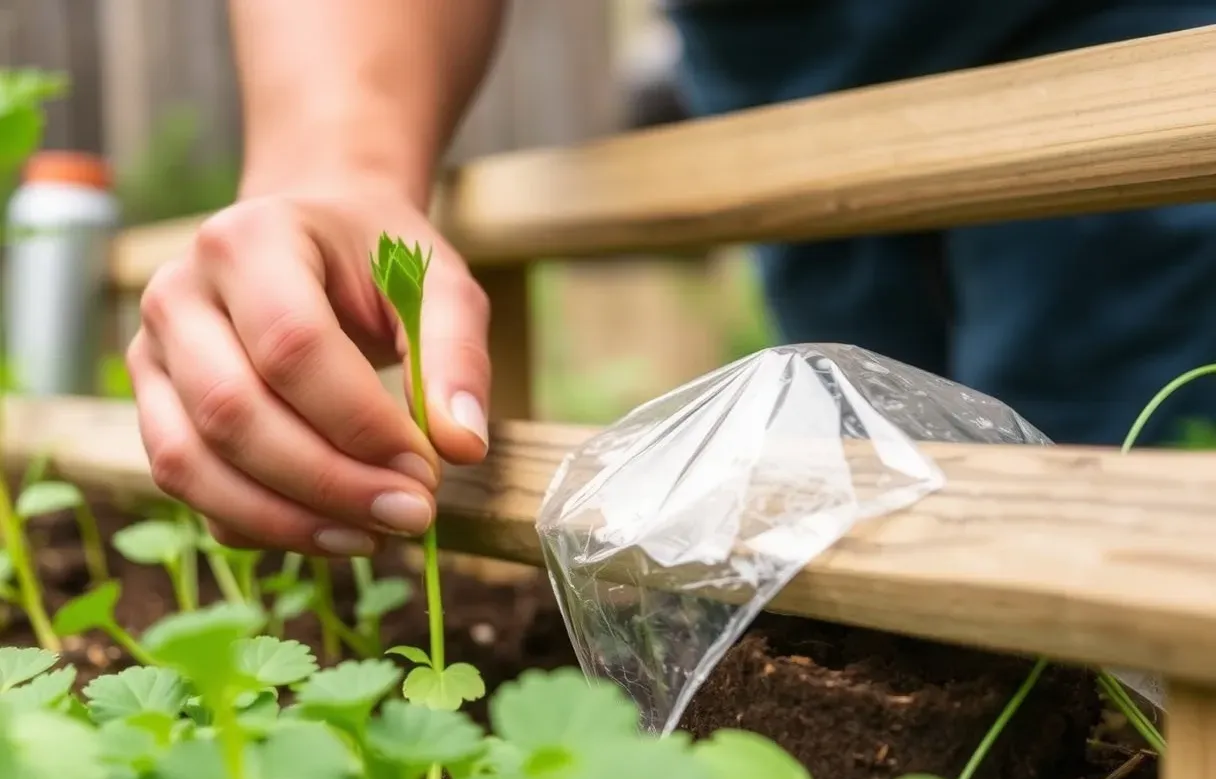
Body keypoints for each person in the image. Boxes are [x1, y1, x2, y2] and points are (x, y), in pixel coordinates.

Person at [128, 1, 1216, 559]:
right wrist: (335, 163)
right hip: (778, 64)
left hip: (1129, 37)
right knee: (868, 463)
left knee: (1100, 466)